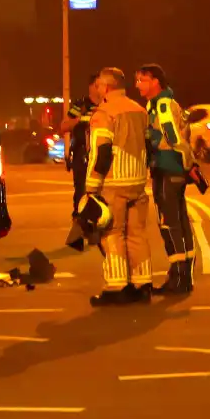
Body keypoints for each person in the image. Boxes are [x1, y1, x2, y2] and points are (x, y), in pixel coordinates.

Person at [84, 67, 153, 306]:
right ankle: (142, 285)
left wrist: (91, 187)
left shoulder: (103, 113)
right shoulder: (139, 110)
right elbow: (148, 145)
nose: (98, 89)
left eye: (100, 86)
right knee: (137, 234)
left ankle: (116, 287)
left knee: (111, 234)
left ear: (107, 87)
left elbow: (101, 153)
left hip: (114, 183)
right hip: (138, 182)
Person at [136, 64, 196, 296]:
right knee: (180, 223)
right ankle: (184, 277)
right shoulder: (165, 103)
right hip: (175, 170)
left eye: (142, 80)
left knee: (169, 224)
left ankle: (178, 278)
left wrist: (149, 139)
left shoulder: (161, 105)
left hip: (166, 167)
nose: (138, 85)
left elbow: (171, 136)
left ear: (155, 82)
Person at [61, 72, 103, 219]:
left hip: (101, 155)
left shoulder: (107, 105)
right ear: (91, 87)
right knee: (81, 193)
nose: (101, 89)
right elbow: (64, 126)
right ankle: (78, 228)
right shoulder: (80, 105)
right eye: (98, 85)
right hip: (82, 157)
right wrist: (80, 120)